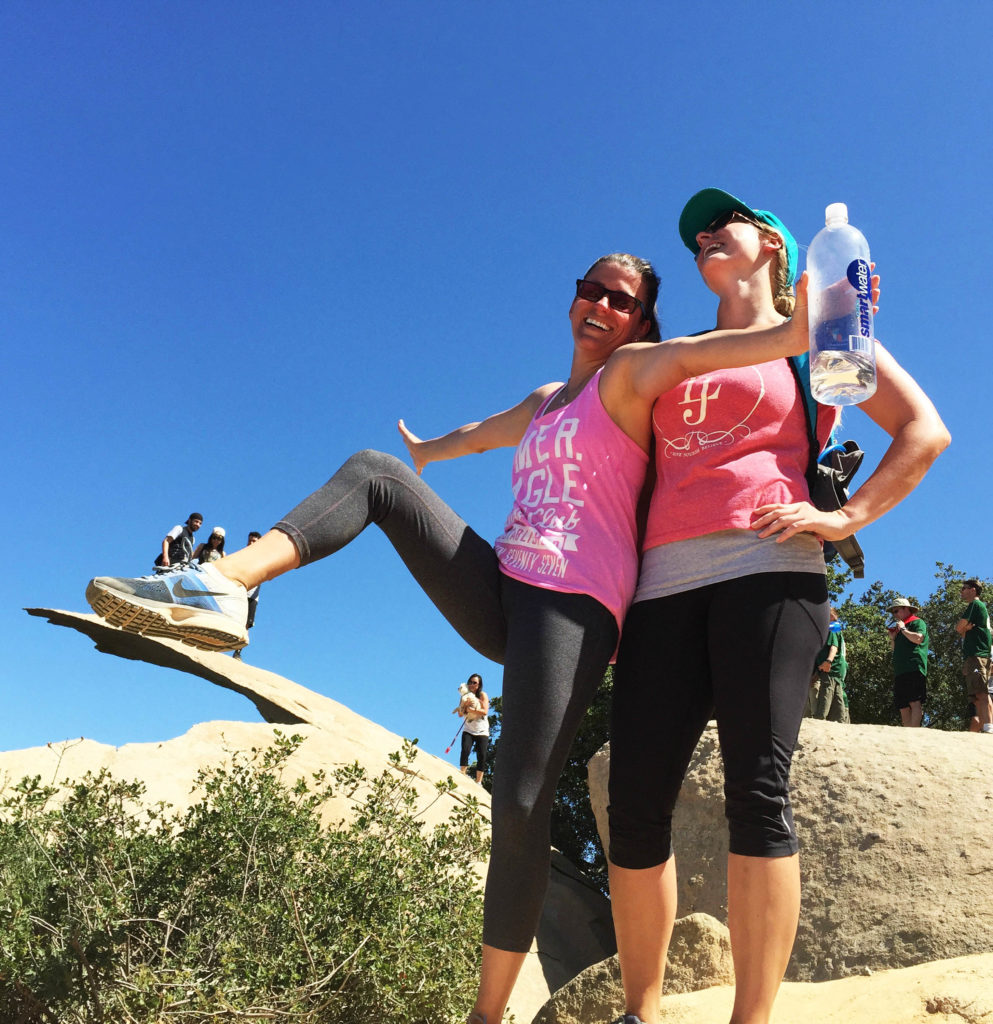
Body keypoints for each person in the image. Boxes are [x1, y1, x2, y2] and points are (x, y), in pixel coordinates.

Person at [85, 250, 814, 1024]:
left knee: (520, 802)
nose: (600, 305)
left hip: (575, 603)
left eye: (621, 299)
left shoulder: (633, 374)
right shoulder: (544, 401)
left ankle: (487, 1015)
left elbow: (710, 352)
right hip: (508, 587)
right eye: (589, 290)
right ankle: (224, 586)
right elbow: (479, 434)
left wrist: (797, 327)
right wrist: (430, 451)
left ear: (640, 320)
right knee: (377, 473)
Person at [606, 189, 949, 1024]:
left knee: (756, 791)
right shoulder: (678, 349)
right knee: (632, 801)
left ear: (773, 245)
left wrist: (843, 517)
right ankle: (639, 1011)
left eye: (724, 220)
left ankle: (750, 1020)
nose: (702, 235)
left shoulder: (827, 335)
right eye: (693, 234)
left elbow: (922, 430)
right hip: (659, 586)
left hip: (771, 571)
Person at [955, 579, 992, 733]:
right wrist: (965, 629)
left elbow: (959, 627)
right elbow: (962, 630)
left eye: (964, 588)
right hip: (973, 657)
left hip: (978, 656)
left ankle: (989, 727)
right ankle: (986, 728)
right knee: (976, 696)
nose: (961, 591)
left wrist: (964, 628)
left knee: (981, 693)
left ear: (973, 590)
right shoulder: (976, 607)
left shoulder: (975, 605)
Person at [887, 597, 929, 727]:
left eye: (896, 611)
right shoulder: (899, 628)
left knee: (914, 701)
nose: (894, 615)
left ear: (906, 609)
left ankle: (914, 731)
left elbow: (918, 639)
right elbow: (894, 650)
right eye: (893, 612)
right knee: (902, 705)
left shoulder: (917, 622)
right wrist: (893, 638)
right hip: (900, 670)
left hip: (914, 667)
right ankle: (907, 732)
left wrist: (904, 630)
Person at [806, 608, 849, 722]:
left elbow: (834, 647)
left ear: (833, 616)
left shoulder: (832, 628)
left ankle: (820, 717)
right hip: (835, 668)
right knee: (837, 693)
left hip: (831, 668)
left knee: (826, 690)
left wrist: (828, 661)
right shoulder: (835, 628)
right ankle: (841, 720)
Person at [232, 531, 263, 661]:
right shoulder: (242, 555)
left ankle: (238, 651)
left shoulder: (263, 558)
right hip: (239, 592)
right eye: (250, 540)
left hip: (252, 596)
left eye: (254, 541)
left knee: (247, 624)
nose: (251, 543)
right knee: (233, 618)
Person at [458, 673, 490, 783]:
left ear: (479, 685)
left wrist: (472, 710)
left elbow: (485, 711)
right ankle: (462, 774)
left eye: (474, 682)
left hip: (482, 730)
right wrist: (465, 705)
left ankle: (478, 782)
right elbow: (460, 714)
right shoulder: (464, 696)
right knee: (465, 750)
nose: (471, 684)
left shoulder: (483, 695)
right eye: (470, 682)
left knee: (482, 754)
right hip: (468, 728)